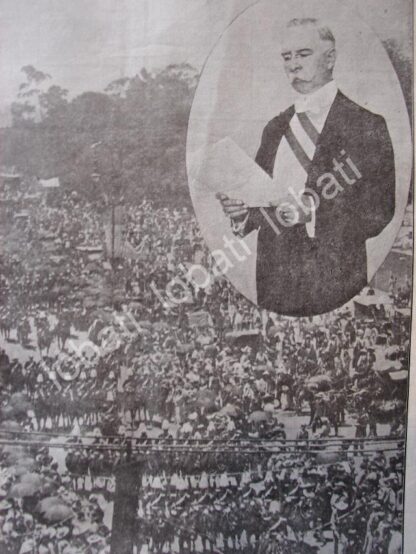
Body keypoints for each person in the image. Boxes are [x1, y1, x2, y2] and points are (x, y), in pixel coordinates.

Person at [219, 17, 395, 316]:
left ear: (330, 58)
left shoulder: (367, 125)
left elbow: (380, 210)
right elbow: (262, 201)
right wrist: (242, 214)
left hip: (335, 276)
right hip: (274, 278)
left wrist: (314, 211)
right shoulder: (274, 128)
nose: (293, 64)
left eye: (303, 54)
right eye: (286, 57)